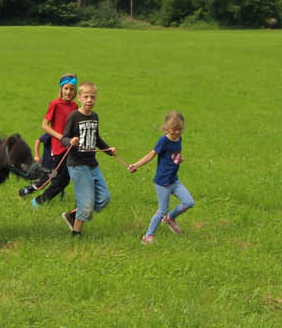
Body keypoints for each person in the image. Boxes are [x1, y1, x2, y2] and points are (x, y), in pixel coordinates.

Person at [58, 81, 124, 236]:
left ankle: (74, 214)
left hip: (92, 164)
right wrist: (70, 142)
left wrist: (108, 150)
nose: (89, 100)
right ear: (79, 98)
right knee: (86, 203)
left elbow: (97, 139)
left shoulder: (94, 117)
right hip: (77, 165)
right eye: (86, 97)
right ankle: (76, 234)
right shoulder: (74, 116)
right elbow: (63, 138)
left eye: (92, 97)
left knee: (104, 198)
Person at [125, 110, 193, 244]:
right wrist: (136, 165)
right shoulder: (163, 140)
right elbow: (151, 155)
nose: (177, 132)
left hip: (174, 180)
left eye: (180, 129)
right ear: (166, 128)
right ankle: (148, 237)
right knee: (162, 210)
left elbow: (174, 154)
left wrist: (178, 158)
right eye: (174, 129)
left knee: (189, 202)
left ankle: (170, 218)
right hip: (163, 182)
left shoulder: (179, 139)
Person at [19, 73, 80, 207]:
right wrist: (60, 137)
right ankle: (37, 201)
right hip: (58, 148)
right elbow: (44, 125)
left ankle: (38, 199)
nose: (68, 92)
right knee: (59, 180)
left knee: (64, 180)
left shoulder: (75, 106)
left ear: (76, 90)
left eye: (72, 89)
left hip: (70, 147)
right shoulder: (55, 104)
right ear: (61, 89)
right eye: (66, 88)